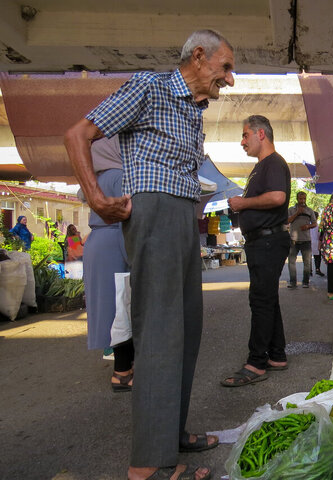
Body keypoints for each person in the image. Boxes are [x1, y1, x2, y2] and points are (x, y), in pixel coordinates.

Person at [64, 29, 233, 480]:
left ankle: (168, 434)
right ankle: (146, 466)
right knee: (158, 332)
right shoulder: (149, 87)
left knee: (186, 329)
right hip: (154, 211)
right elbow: (77, 135)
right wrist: (96, 197)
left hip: (181, 216)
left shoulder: (193, 109)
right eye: (225, 67)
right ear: (198, 57)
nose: (229, 80)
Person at [221, 115, 291, 387]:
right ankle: (276, 355)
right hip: (263, 241)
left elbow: (278, 197)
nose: (242, 141)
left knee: (260, 299)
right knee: (268, 298)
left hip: (268, 241)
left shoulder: (273, 163)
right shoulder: (263, 166)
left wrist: (243, 203)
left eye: (245, 134)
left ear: (261, 134)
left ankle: (256, 362)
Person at [81, 135, 135, 393]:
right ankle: (122, 373)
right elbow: (128, 215)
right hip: (115, 239)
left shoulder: (93, 179)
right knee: (122, 308)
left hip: (97, 242)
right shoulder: (119, 175)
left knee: (110, 309)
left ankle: (123, 368)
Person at [286, 191, 316, 289]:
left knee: (307, 263)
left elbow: (315, 223)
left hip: (306, 240)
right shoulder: (291, 209)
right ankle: (293, 282)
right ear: (297, 199)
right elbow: (287, 221)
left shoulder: (310, 210)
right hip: (293, 240)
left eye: (304, 199)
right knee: (291, 262)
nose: (302, 201)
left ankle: (305, 282)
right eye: (300, 199)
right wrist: (297, 213)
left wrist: (308, 226)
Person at [309, 210, 324, 277]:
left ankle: (310, 270)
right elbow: (320, 234)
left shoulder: (309, 224)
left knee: (309, 257)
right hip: (316, 242)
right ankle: (317, 269)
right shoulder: (318, 226)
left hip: (310, 241)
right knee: (317, 257)